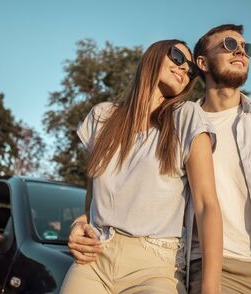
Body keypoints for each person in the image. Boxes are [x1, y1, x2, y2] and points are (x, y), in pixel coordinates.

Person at [68, 25, 251, 294]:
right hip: (211, 269)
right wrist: (81, 221)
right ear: (203, 62)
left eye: (246, 48)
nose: (241, 52)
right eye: (229, 45)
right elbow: (112, 194)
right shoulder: (178, 122)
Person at [60, 39, 223, 294]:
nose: (184, 69)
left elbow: (207, 205)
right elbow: (92, 202)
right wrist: (77, 226)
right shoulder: (102, 117)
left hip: (155, 267)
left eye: (190, 69)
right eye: (177, 57)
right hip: (94, 261)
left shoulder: (186, 116)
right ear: (153, 56)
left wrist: (211, 288)